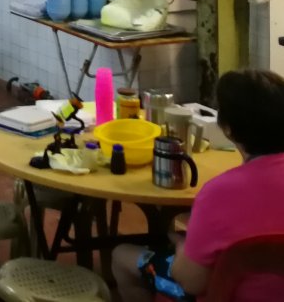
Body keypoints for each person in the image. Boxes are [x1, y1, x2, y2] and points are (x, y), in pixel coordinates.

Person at [112, 69, 284, 302]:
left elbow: (192, 282)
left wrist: (183, 249)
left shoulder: (220, 193)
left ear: (228, 129)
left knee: (122, 256)